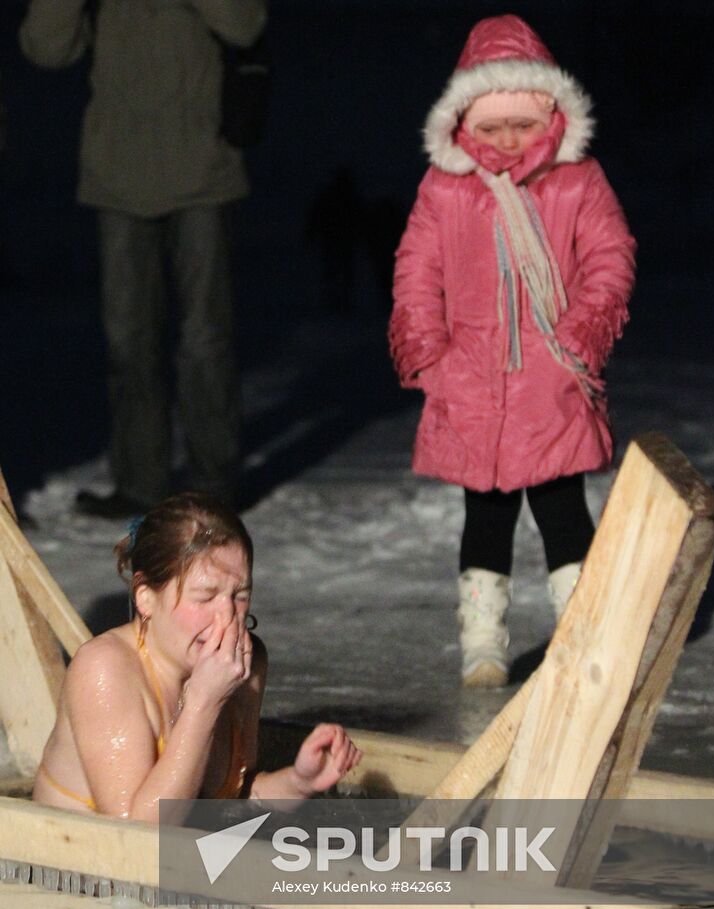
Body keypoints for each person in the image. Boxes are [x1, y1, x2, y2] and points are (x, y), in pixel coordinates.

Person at [388, 15, 636, 688]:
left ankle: (583, 636)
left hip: (551, 380)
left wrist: (583, 333)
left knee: (562, 511)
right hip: (471, 384)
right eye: (491, 128)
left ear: (551, 116)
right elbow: (416, 271)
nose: (506, 141)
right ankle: (482, 644)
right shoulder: (446, 188)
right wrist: (429, 353)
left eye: (522, 126)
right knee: (486, 517)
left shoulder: (575, 179)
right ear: (465, 121)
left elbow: (609, 258)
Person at [19, 1, 268, 518]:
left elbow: (246, 23)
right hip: (116, 176)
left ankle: (215, 485)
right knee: (128, 340)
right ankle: (140, 483)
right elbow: (44, 48)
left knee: (205, 338)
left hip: (203, 169)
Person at [33, 493, 361, 819]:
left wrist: (299, 783)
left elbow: (232, 801)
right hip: (70, 866)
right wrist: (204, 704)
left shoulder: (246, 663)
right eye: (205, 598)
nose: (227, 617)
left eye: (240, 595)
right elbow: (135, 834)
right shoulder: (104, 671)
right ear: (145, 598)